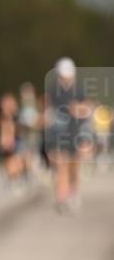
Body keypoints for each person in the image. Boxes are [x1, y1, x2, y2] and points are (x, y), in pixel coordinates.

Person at [44, 58, 88, 214]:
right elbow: (48, 112)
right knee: (61, 167)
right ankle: (62, 198)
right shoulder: (52, 90)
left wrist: (78, 109)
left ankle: (74, 194)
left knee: (74, 168)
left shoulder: (80, 90)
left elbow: (88, 109)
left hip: (76, 134)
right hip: (58, 135)